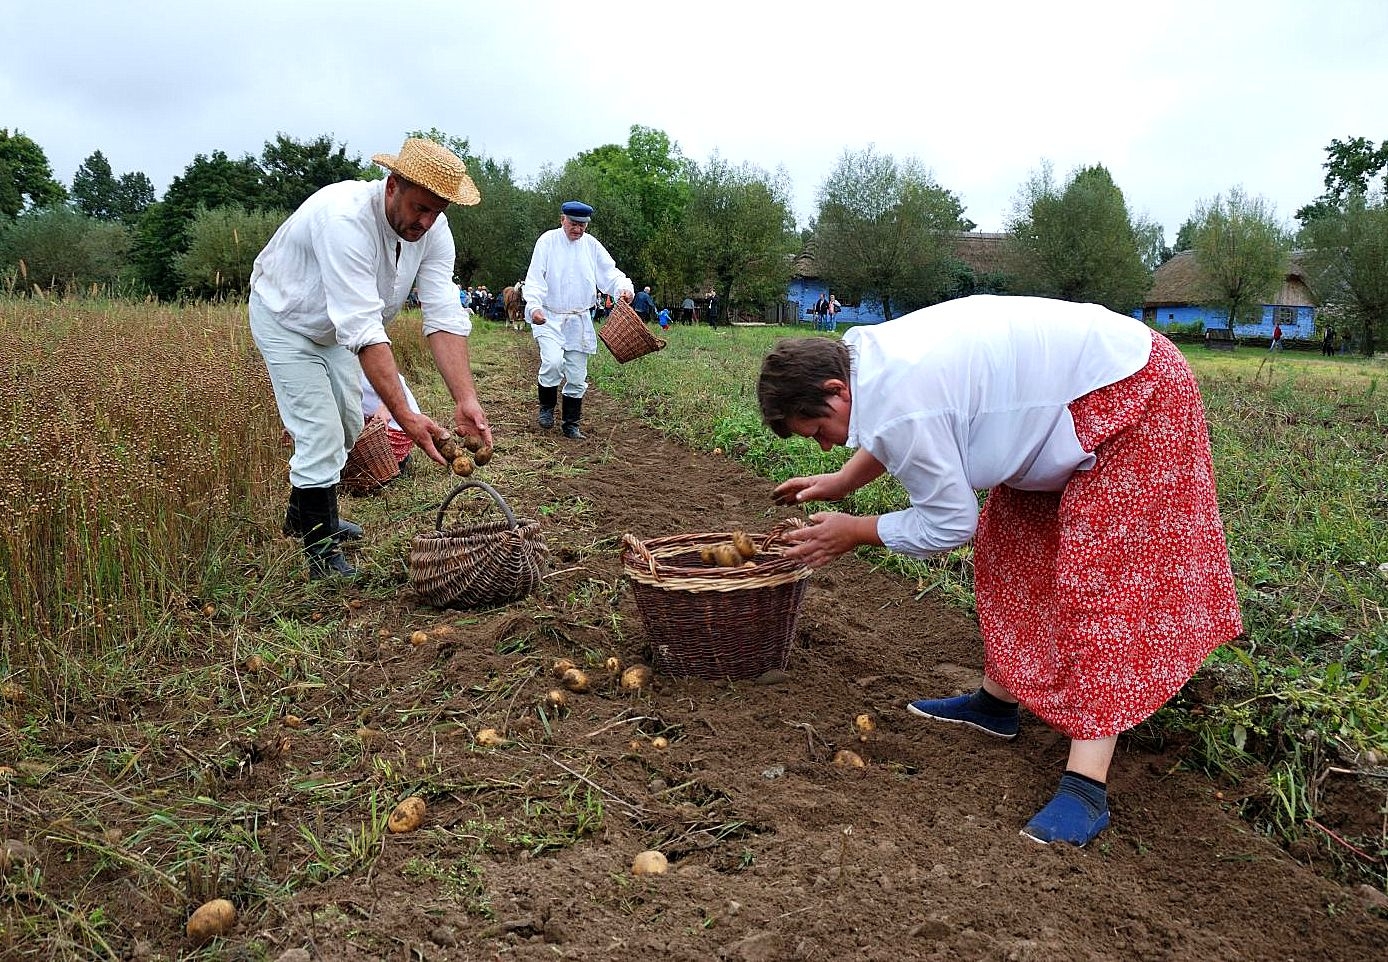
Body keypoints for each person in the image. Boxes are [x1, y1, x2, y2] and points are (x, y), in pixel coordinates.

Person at [758, 294, 1242, 847]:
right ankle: (997, 702)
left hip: (1135, 393)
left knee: (1100, 584)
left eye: (817, 431)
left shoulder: (897, 400)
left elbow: (948, 521)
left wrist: (857, 530)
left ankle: (1087, 786)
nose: (823, 445)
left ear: (834, 390)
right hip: (1065, 398)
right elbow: (909, 424)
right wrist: (843, 481)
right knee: (1010, 549)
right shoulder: (864, 361)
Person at [249, 137, 494, 580]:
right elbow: (363, 330)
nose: (426, 221)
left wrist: (465, 399)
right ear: (392, 185)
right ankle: (321, 552)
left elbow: (442, 313)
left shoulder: (433, 229)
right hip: (286, 318)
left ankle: (302, 515)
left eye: (437, 211)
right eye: (420, 208)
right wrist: (404, 414)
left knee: (347, 424)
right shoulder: (344, 219)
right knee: (320, 432)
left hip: (335, 331)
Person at [523, 200, 634, 440]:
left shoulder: (591, 246)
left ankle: (571, 423)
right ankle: (546, 408)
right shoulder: (547, 242)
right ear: (562, 219)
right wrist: (534, 307)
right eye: (574, 224)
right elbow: (534, 279)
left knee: (576, 374)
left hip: (579, 320)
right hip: (549, 316)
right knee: (552, 363)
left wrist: (623, 289)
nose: (578, 229)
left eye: (583, 225)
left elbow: (610, 273)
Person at [360, 370, 422, 473]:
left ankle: (400, 462)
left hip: (392, 422)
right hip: (364, 423)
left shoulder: (361, 359)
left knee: (373, 468)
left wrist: (386, 406)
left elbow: (396, 380)